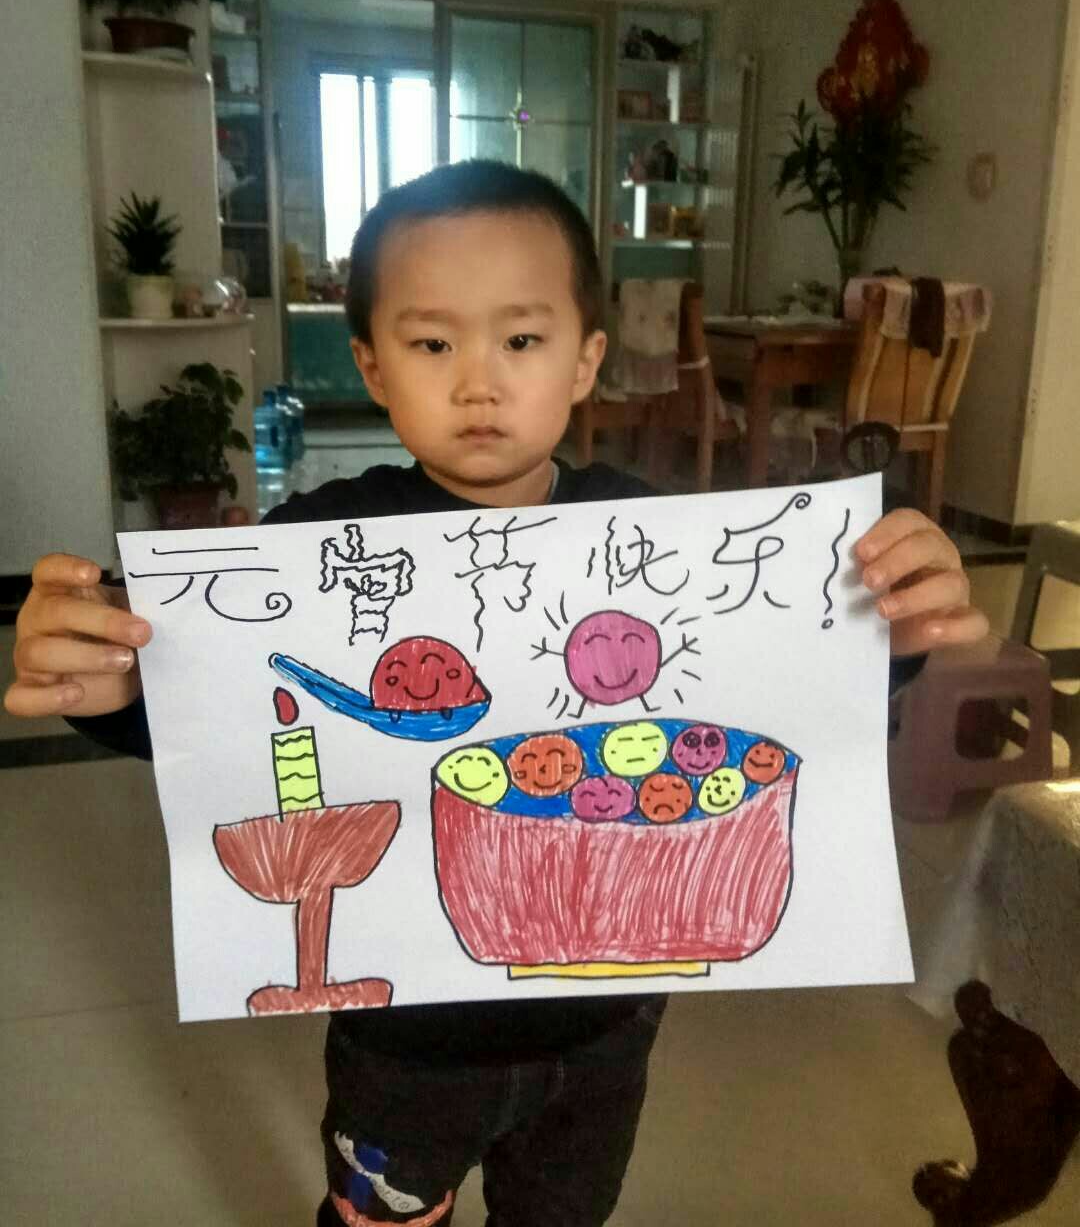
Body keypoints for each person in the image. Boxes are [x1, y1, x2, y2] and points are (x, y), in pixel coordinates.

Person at [6, 160, 988, 1227]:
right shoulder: (313, 548)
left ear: (586, 360)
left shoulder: (654, 539)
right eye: (433, 344)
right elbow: (220, 723)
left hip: (606, 1027)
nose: (479, 381)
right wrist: (104, 684)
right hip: (404, 1040)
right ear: (372, 365)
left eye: (521, 340)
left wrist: (887, 634)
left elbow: (778, 701)